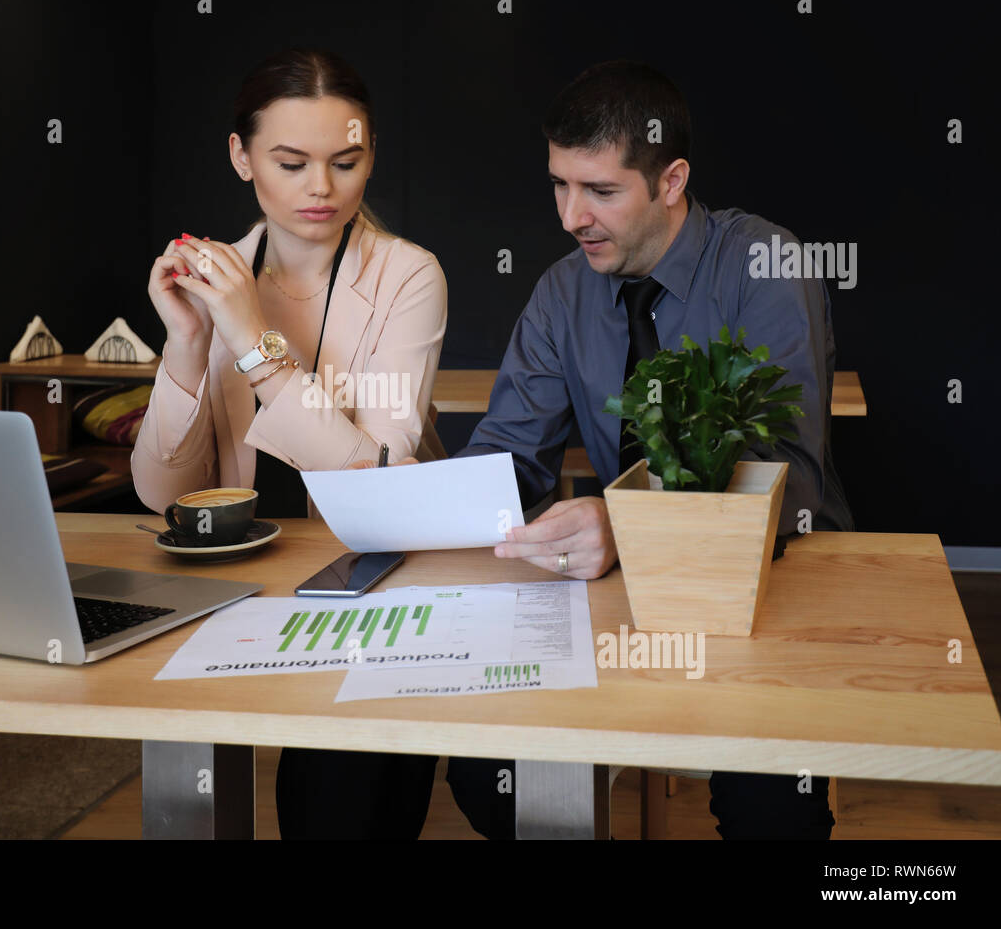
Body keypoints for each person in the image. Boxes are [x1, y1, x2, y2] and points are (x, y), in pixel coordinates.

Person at [343, 60, 851, 840]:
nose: (571, 215)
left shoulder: (766, 266)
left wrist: (631, 523)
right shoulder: (560, 292)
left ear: (672, 179)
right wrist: (429, 495)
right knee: (495, 782)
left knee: (769, 809)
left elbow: (786, 473)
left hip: (773, 580)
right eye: (558, 185)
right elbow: (515, 460)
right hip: (624, 592)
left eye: (601, 191)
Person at [131, 47, 448, 521]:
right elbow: (163, 497)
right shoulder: (214, 280)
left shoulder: (409, 276)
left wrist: (254, 342)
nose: (321, 186)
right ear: (242, 157)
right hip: (244, 570)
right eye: (292, 164)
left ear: (372, 156)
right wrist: (188, 342)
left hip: (374, 558)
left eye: (344, 163)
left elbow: (376, 485)